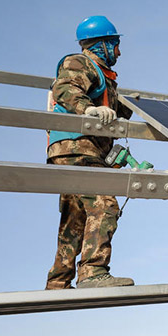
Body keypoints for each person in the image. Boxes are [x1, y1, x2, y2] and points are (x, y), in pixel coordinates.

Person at [45, 15, 135, 289]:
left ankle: (58, 282)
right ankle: (93, 272)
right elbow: (64, 88)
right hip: (77, 146)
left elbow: (118, 110)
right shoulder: (80, 62)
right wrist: (88, 110)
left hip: (77, 148)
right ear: (103, 44)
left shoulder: (105, 77)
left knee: (75, 217)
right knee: (105, 204)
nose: (119, 52)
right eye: (115, 45)